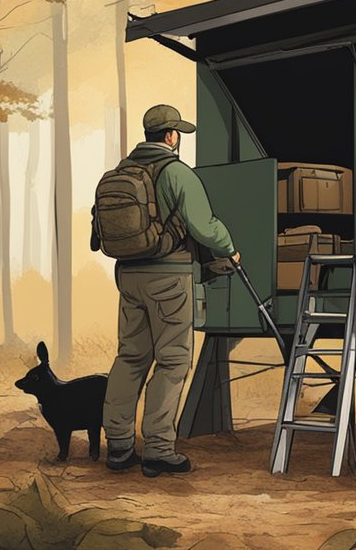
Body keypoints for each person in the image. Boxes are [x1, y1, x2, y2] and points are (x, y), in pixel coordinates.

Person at [93, 104, 239, 477]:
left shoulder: (121, 172)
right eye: (178, 134)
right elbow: (204, 226)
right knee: (173, 360)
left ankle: (120, 446)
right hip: (169, 278)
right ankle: (158, 449)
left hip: (128, 277)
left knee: (130, 357)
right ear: (171, 136)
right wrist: (229, 248)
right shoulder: (176, 172)